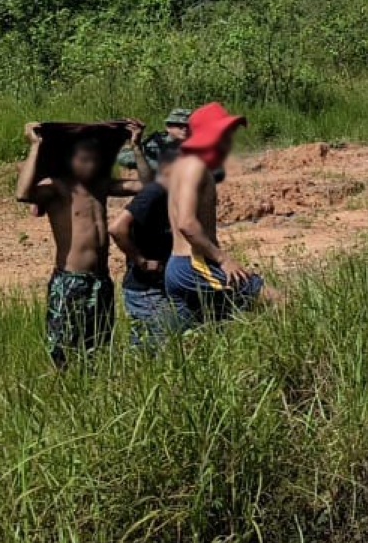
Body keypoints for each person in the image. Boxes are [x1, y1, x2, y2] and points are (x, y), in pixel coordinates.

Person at [19, 120, 144, 366]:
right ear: (70, 160)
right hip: (71, 280)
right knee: (63, 350)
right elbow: (22, 194)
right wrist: (35, 147)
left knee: (97, 347)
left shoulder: (101, 186)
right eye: (84, 159)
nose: (91, 164)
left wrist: (137, 147)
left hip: (101, 279)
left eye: (95, 159)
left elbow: (146, 186)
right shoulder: (57, 187)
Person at [164, 103, 271, 327]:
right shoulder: (194, 166)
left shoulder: (185, 166)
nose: (229, 141)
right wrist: (224, 260)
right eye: (225, 134)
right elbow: (186, 223)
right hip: (194, 265)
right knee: (278, 301)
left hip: (180, 266)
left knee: (196, 339)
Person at [111, 133, 182, 345]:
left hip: (161, 284)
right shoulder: (154, 193)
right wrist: (141, 261)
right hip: (145, 288)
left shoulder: (173, 191)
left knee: (151, 347)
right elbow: (116, 228)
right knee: (163, 343)